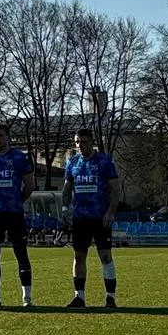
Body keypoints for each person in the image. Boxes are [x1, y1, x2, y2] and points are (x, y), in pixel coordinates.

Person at [0, 124, 36, 308]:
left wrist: (17, 201)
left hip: (14, 212)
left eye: (0, 135)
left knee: (21, 251)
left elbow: (30, 185)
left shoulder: (19, 157)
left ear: (8, 137)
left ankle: (27, 298)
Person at [63, 126, 122, 309]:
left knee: (105, 256)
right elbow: (67, 188)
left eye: (84, 142)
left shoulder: (104, 161)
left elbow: (116, 189)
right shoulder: (72, 162)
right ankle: (79, 297)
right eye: (77, 142)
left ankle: (110, 298)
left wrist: (110, 211)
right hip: (80, 218)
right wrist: (65, 208)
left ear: (92, 142)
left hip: (100, 217)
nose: (80, 145)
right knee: (79, 256)